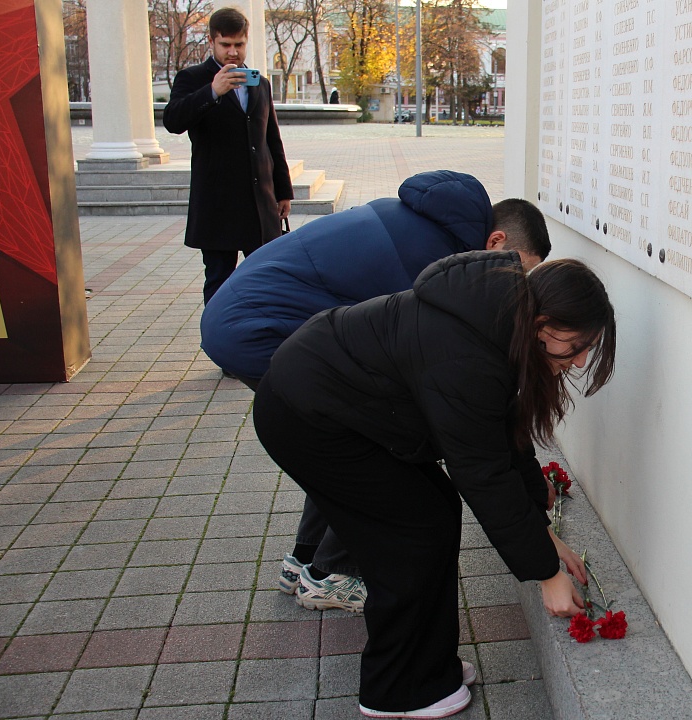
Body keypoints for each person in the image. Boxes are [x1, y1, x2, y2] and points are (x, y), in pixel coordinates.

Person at [253, 252, 616, 718]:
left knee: (434, 511)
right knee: (410, 533)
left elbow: (501, 437)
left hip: (335, 405)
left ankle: (426, 668)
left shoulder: (500, 321)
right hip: (305, 416)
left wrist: (543, 534)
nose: (580, 359)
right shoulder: (469, 354)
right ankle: (396, 691)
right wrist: (546, 574)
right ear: (544, 323)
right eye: (578, 345)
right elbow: (483, 475)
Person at [200, 171, 551, 612]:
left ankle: (305, 560)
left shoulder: (424, 223)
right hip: (258, 331)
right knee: (362, 443)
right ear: (496, 241)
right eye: (518, 269)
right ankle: (331, 572)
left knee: (335, 434)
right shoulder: (434, 262)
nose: (514, 289)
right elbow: (429, 373)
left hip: (236, 318)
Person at [162, 6, 294, 304]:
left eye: (239, 44)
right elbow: (173, 121)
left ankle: (260, 329)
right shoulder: (193, 78)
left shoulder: (259, 83)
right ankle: (218, 331)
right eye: (225, 45)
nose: (233, 52)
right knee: (219, 281)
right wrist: (212, 91)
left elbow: (271, 139)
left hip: (258, 203)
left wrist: (283, 191)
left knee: (266, 278)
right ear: (211, 41)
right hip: (218, 203)